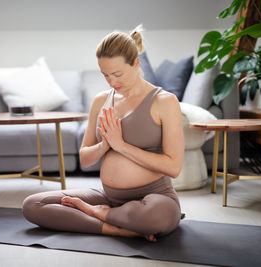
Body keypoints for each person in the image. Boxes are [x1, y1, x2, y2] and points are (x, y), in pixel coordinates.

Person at [22, 26, 184, 242]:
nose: (112, 82)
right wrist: (104, 145)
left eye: (117, 74)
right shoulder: (101, 101)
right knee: (33, 205)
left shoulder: (164, 101)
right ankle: (117, 227)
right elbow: (85, 158)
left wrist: (121, 145)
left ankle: (101, 214)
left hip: (154, 197)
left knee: (156, 217)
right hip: (109, 196)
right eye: (105, 75)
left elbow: (173, 167)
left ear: (136, 63)